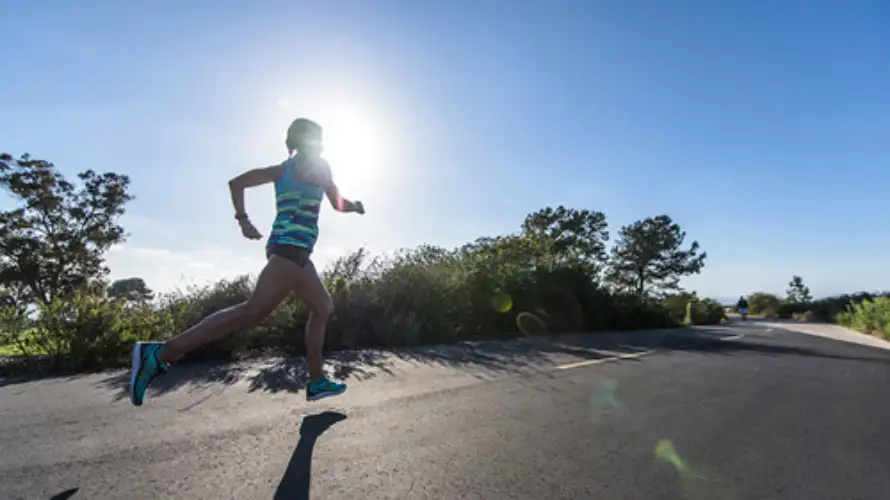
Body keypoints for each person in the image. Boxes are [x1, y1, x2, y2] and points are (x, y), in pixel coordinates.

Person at [129, 117, 365, 406]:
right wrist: (242, 219)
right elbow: (237, 183)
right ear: (301, 141)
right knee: (251, 312)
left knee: (323, 307)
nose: (319, 144)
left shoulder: (297, 170)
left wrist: (355, 207)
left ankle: (316, 381)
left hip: (301, 255)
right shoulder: (292, 169)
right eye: (314, 139)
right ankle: (160, 354)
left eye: (320, 139)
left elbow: (337, 203)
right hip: (289, 249)